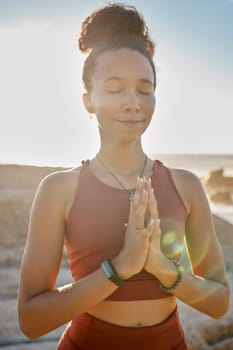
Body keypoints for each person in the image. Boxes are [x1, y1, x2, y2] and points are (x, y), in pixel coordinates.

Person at [18, 3, 230, 349]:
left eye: (145, 89)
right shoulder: (59, 189)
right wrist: (118, 268)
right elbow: (30, 319)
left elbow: (220, 302)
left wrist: (164, 270)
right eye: (115, 89)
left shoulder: (186, 185)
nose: (133, 102)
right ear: (88, 101)